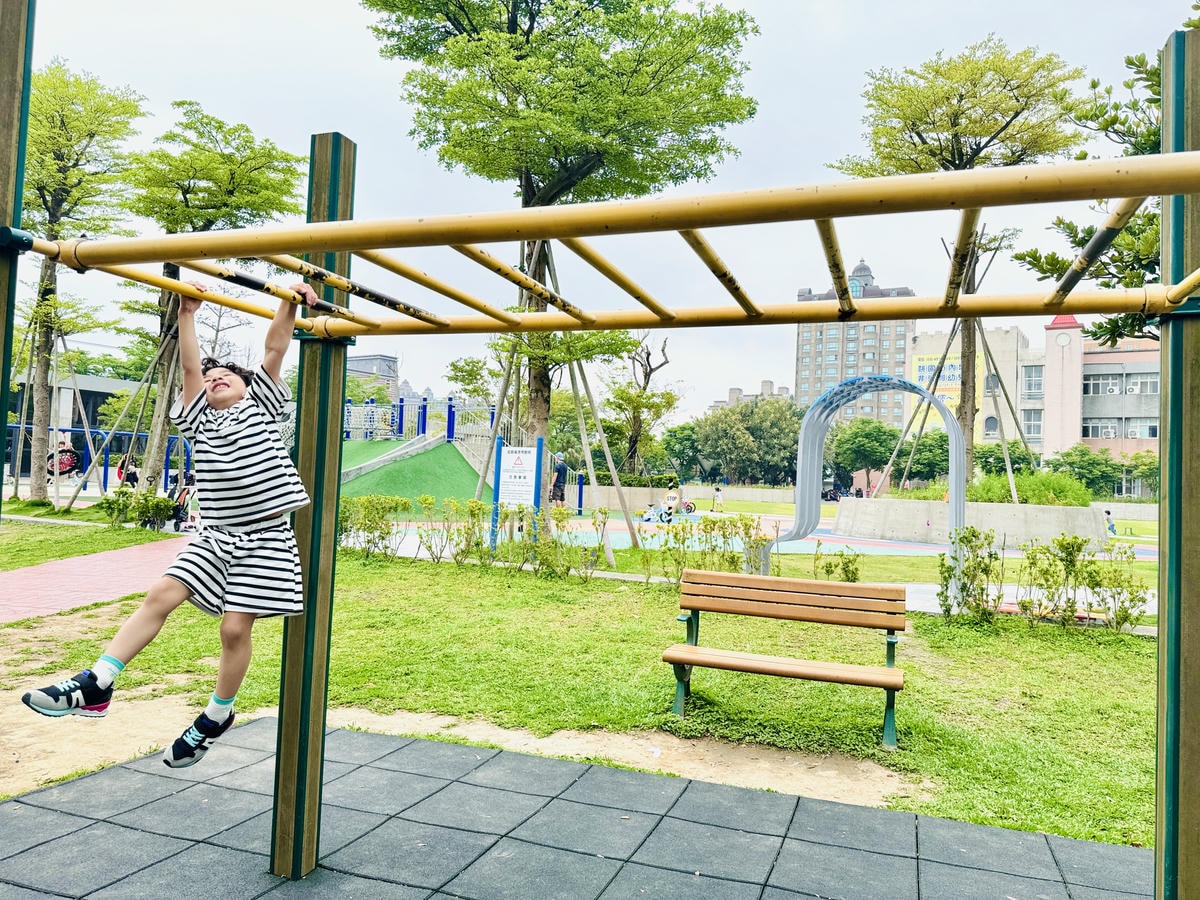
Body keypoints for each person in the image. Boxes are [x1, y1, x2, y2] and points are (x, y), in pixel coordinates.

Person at [22, 281, 318, 769]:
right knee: (160, 593)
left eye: (228, 375)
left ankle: (217, 714)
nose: (217, 377)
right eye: (212, 376)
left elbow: (274, 346)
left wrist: (287, 299)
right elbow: (188, 367)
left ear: (251, 386)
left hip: (265, 537)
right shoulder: (199, 419)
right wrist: (187, 313)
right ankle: (97, 682)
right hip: (216, 535)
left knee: (234, 628)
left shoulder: (261, 404)